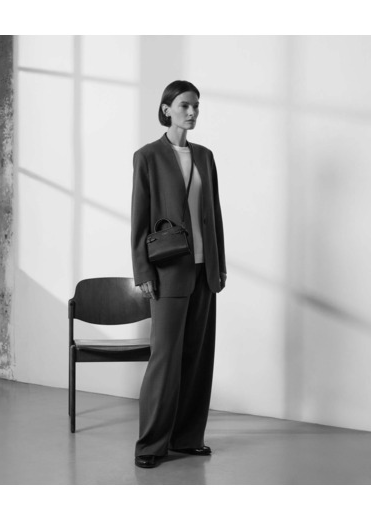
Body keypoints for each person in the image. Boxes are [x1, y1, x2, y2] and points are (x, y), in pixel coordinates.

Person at [131, 80, 227, 469]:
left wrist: (219, 265)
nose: (192, 112)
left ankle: (187, 438)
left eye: (196, 106)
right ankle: (150, 445)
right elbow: (139, 219)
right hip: (168, 271)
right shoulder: (148, 156)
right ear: (166, 109)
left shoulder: (205, 156)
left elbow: (213, 215)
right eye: (185, 105)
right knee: (165, 359)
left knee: (197, 358)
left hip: (205, 270)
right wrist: (143, 270)